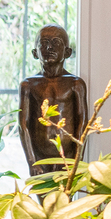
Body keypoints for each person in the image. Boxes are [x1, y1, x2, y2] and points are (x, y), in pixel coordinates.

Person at [18, 24, 88, 176]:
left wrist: (78, 160)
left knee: (65, 200)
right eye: (43, 43)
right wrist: (31, 161)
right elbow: (23, 125)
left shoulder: (75, 84)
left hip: (67, 158)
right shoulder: (29, 85)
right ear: (35, 53)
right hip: (40, 159)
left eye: (56, 42)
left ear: (67, 52)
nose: (49, 48)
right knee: (44, 200)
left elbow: (82, 123)